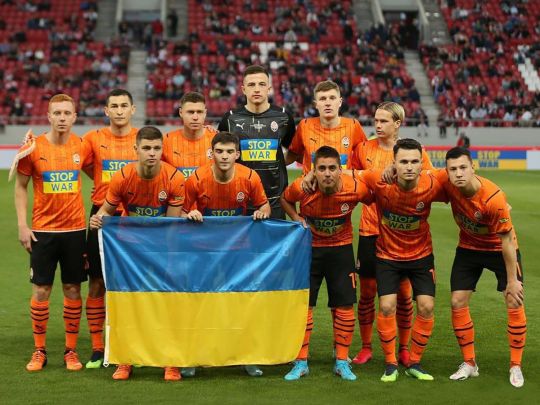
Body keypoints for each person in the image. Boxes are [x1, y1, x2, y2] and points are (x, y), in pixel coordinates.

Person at [90, 126, 185, 381]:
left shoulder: (174, 178)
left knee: (166, 305)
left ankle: (171, 362)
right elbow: (106, 211)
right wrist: (98, 219)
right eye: (146, 148)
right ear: (136, 149)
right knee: (128, 306)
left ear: (162, 150)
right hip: (128, 252)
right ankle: (125, 360)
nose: (152, 153)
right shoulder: (122, 177)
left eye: (156, 148)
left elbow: (171, 226)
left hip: (161, 251)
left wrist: (160, 256)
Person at [349, 102, 433, 367]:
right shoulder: (363, 149)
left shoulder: (413, 152)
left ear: (397, 123)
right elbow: (352, 179)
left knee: (404, 295)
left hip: (401, 236)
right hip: (370, 230)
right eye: (375, 120)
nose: (377, 125)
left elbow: (430, 180)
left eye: (383, 121)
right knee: (367, 293)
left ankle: (404, 349)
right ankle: (366, 347)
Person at [280, 146, 372, 381]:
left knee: (344, 307)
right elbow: (285, 199)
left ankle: (341, 361)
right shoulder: (302, 187)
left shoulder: (355, 188)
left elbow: (374, 198)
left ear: (340, 170)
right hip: (309, 251)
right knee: (304, 307)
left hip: (341, 250)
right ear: (314, 171)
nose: (327, 173)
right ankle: (301, 362)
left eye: (332, 168)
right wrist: (297, 218)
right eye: (322, 168)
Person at [14, 94, 92, 372]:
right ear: (48, 116)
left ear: (74, 117)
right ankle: (39, 350)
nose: (62, 118)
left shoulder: (82, 146)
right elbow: (20, 186)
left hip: (75, 231)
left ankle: (71, 351)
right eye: (57, 113)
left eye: (67, 113)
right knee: (41, 290)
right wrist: (22, 225)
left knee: (72, 289)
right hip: (42, 232)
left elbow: (101, 174)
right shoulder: (33, 147)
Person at [184, 131, 270, 377]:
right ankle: (193, 358)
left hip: (237, 251)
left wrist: (262, 212)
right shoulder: (196, 179)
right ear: (211, 153)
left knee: (241, 303)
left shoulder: (250, 177)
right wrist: (190, 214)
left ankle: (247, 357)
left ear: (237, 154)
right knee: (201, 303)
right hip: (205, 252)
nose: (224, 156)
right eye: (219, 151)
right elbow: (180, 212)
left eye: (229, 152)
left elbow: (264, 205)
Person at [360, 138, 446, 382]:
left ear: (422, 164)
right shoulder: (379, 179)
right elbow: (347, 175)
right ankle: (390, 364)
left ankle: (415, 362)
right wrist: (311, 175)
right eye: (404, 162)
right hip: (387, 255)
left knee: (426, 307)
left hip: (421, 256)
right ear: (394, 163)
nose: (409, 166)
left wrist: (500, 199)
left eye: (414, 162)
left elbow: (465, 180)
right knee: (387, 306)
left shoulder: (433, 182)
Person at [442, 147, 526, 388]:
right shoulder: (447, 183)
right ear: (447, 172)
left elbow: (507, 241)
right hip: (469, 248)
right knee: (457, 301)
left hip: (499, 249)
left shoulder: (493, 198)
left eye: (463, 167)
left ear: (473, 168)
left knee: (513, 299)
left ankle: (515, 365)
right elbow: (422, 173)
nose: (458, 173)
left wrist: (513, 281)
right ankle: (469, 363)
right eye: (453, 169)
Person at [82, 88, 138, 369]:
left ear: (132, 110)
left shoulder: (142, 138)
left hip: (134, 217)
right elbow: (74, 159)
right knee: (97, 281)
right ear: (106, 111)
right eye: (114, 106)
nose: (119, 110)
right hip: (101, 216)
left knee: (133, 283)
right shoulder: (93, 138)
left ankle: (131, 343)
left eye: (123, 105)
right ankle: (97, 348)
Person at [218, 65, 296, 219]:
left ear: (269, 88)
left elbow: (294, 152)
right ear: (243, 89)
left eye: (261, 84)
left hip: (275, 200)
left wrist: (277, 163)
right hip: (239, 199)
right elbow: (219, 154)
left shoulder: (284, 117)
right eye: (251, 85)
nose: (257, 89)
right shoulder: (230, 119)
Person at [286, 80, 366, 173]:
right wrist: (271, 162)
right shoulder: (305, 126)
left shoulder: (353, 125)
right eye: (322, 99)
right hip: (310, 183)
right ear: (316, 104)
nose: (328, 103)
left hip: (343, 182)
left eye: (332, 98)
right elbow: (293, 154)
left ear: (340, 102)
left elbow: (365, 157)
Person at [162, 91, 216, 179]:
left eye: (199, 112)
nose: (195, 117)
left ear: (205, 113)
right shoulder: (166, 141)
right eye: (190, 112)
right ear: (180, 112)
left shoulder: (217, 139)